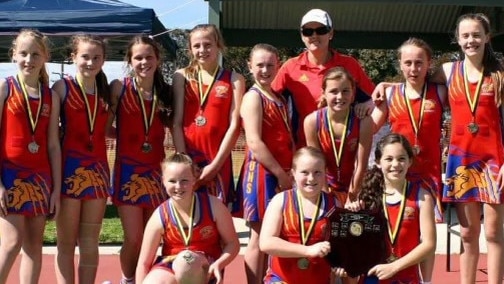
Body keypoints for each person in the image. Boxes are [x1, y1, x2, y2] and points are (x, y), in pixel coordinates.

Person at [370, 37, 447, 283]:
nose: (413, 69)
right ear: (400, 65)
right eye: (408, 63)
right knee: (398, 225)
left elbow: (462, 80)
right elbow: (368, 128)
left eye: (419, 63)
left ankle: (426, 280)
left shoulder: (440, 92)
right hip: (398, 170)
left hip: (429, 172)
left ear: (428, 64)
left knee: (427, 233)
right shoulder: (391, 94)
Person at [436, 13, 504, 284]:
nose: (471, 40)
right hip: (460, 160)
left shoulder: (499, 76)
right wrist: (383, 86)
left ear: (487, 37)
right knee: (467, 233)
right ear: (457, 39)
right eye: (465, 35)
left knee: (493, 233)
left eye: (476, 34)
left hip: (494, 162)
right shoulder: (447, 71)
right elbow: (413, 80)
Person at [108, 35, 173, 284]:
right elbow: (104, 128)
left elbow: (175, 126)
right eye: (138, 57)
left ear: (157, 59)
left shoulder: (165, 92)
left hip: (156, 171)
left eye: (149, 57)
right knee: (134, 237)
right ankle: (127, 280)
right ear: (130, 60)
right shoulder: (120, 87)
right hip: (128, 171)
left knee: (152, 237)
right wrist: (126, 138)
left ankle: (146, 279)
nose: (144, 62)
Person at [0, 29, 61, 283]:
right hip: (10, 175)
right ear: (14, 55)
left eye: (35, 54)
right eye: (23, 53)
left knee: (34, 246)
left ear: (45, 56)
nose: (29, 59)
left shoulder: (51, 96)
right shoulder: (5, 87)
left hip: (40, 179)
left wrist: (56, 190)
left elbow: (53, 146)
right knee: (12, 242)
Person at [52, 34, 111, 284]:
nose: (90, 62)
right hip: (68, 171)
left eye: (96, 57)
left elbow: (107, 129)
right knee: (66, 243)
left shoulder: (107, 90)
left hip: (97, 171)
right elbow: (49, 131)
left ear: (104, 60)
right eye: (85, 56)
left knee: (89, 242)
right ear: (73, 57)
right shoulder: (62, 88)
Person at [272, 8, 375, 149]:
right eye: (308, 31)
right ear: (302, 36)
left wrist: (369, 104)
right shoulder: (290, 67)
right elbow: (268, 100)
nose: (314, 35)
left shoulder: (349, 64)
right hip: (305, 151)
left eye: (321, 30)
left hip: (343, 151)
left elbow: (376, 97)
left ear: (331, 33)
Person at [172, 24, 245, 216]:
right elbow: (177, 122)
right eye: (197, 46)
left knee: (218, 219)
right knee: (186, 216)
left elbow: (234, 125)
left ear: (218, 45)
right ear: (190, 49)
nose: (202, 50)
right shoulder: (182, 76)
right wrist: (184, 163)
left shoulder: (234, 79)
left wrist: (215, 166)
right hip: (188, 159)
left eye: (208, 44)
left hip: (218, 162)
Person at [136, 152, 240, 284]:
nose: (178, 186)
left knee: (186, 262)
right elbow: (144, 263)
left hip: (205, 265)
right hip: (170, 264)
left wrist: (219, 264)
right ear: (163, 181)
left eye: (184, 180)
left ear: (194, 179)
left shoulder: (213, 206)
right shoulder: (160, 215)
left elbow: (232, 244)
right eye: (172, 181)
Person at [238, 43, 294, 284]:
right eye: (259, 65)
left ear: (278, 66)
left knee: (273, 232)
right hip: (261, 173)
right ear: (250, 66)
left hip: (278, 172)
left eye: (270, 65)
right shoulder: (253, 97)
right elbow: (254, 141)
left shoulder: (277, 96)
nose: (265, 69)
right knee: (259, 236)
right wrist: (281, 174)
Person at [357, 133, 436, 283]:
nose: (395, 164)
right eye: (389, 159)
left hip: (407, 279)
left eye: (401, 159)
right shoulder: (367, 196)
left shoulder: (422, 197)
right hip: (373, 278)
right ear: (378, 162)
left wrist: (394, 267)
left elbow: (429, 244)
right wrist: (352, 212)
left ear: (410, 162)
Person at [259, 147, 336, 284]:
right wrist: (307, 251)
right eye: (304, 172)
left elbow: (341, 247)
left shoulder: (334, 205)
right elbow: (266, 243)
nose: (311, 178)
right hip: (281, 280)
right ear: (293, 173)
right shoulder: (280, 201)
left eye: (317, 172)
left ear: (325, 173)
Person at [304, 66, 372, 209]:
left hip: (356, 187)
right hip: (324, 185)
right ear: (324, 94)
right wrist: (324, 195)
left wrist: (351, 196)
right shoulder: (312, 122)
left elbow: (360, 164)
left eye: (345, 91)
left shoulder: (363, 122)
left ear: (353, 94)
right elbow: (316, 163)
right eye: (333, 91)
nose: (340, 97)